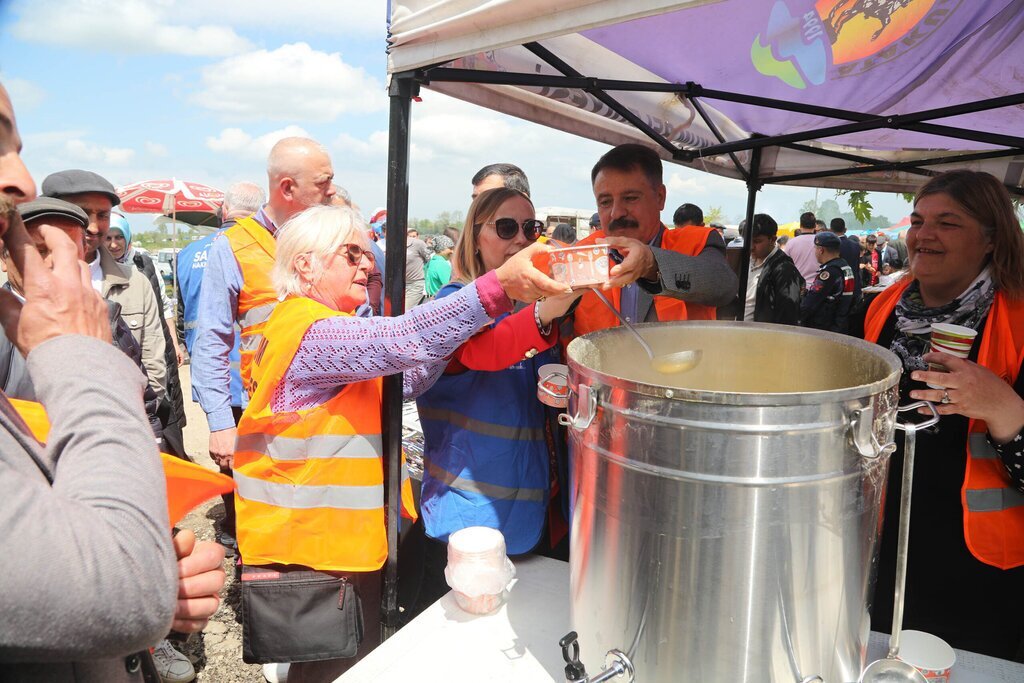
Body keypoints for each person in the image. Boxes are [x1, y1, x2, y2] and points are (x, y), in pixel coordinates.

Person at [232, 203, 570, 681]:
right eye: (352, 253)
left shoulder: (318, 328)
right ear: (305, 264)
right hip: (313, 558)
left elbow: (407, 378)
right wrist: (496, 289)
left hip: (335, 552)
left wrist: (479, 327)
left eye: (367, 253)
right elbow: (405, 339)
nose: (369, 264)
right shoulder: (310, 332)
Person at [0, 81, 224, 683]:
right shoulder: (35, 319)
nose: (18, 176)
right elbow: (108, 583)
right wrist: (130, 578)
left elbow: (61, 573)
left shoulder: (127, 285)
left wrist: (150, 578)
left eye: (16, 147)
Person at [862, 170, 1024, 659]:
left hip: (977, 573)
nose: (923, 234)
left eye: (947, 223)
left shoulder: (1019, 320)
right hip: (877, 548)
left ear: (991, 240)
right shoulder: (881, 307)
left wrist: (1005, 409)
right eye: (918, 220)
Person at [414, 188, 585, 613]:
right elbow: (485, 350)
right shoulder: (451, 302)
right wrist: (547, 313)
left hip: (538, 508)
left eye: (531, 228)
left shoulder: (533, 304)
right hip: (473, 516)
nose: (521, 239)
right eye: (506, 227)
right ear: (474, 237)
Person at [192, 137, 335, 474]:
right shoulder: (233, 247)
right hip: (262, 413)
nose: (331, 191)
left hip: (329, 413)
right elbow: (211, 340)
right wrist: (221, 423)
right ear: (287, 187)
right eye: (322, 183)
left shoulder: (331, 240)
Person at [177, 180, 265, 555]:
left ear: (224, 212)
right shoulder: (261, 251)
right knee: (261, 460)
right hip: (253, 373)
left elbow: (184, 316)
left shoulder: (188, 253)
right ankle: (256, 535)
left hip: (212, 374)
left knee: (226, 454)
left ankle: (231, 532)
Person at [570, 144, 737, 337]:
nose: (616, 213)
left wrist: (652, 264)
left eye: (630, 198)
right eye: (605, 202)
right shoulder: (581, 255)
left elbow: (724, 285)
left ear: (660, 197)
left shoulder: (695, 242)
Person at [42, 170, 168, 409]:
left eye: (102, 215)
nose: (92, 226)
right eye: (81, 213)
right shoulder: (23, 280)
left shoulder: (136, 283)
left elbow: (153, 365)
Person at [107, 212, 189, 460]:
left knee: (168, 413)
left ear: (127, 237)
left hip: (154, 345)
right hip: (124, 356)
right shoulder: (98, 276)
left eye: (119, 236)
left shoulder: (144, 265)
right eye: (108, 237)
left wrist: (174, 343)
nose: (113, 243)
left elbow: (164, 307)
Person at [743, 213, 802, 325]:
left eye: (757, 241)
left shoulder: (784, 269)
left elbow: (787, 314)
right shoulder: (745, 261)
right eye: (747, 240)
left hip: (762, 336)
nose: (751, 246)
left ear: (773, 239)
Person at [799, 231, 854, 333]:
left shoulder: (829, 273)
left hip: (826, 328)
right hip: (840, 324)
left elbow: (811, 302)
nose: (815, 252)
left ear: (821, 250)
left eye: (815, 249)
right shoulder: (844, 265)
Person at [783, 211, 820, 289]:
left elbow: (785, 266)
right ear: (815, 226)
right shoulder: (821, 242)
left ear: (800, 226)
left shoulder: (791, 243)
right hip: (817, 287)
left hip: (797, 287)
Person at [830, 217, 862, 305]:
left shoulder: (832, 246)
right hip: (855, 287)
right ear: (845, 229)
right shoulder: (856, 245)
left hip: (839, 289)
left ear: (830, 230)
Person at [405, 227, 431, 309]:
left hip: (415, 284)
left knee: (405, 311)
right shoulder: (392, 244)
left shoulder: (418, 244)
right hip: (401, 284)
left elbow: (430, 259)